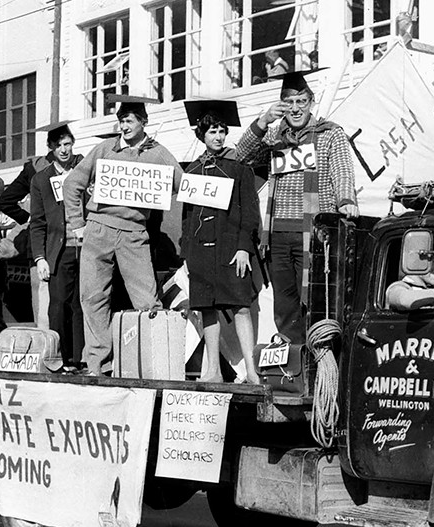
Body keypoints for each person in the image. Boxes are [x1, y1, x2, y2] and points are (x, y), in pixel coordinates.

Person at [62, 94, 183, 376]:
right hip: (98, 228)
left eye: (128, 120)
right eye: (120, 121)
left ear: (143, 122)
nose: (123, 126)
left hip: (134, 233)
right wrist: (77, 224)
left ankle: (153, 363)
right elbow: (72, 184)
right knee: (93, 297)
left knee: (147, 300)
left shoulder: (159, 153)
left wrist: (157, 191)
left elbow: (182, 184)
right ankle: (98, 366)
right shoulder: (104, 148)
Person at [236, 69, 359, 344]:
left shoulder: (330, 133)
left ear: (311, 103)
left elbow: (342, 170)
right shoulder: (275, 137)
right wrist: (264, 120)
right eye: (288, 102)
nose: (295, 108)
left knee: (314, 299)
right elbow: (242, 156)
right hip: (278, 234)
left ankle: (318, 357)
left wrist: (346, 201)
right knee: (285, 303)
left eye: (301, 101)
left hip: (313, 232)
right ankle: (292, 363)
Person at [181, 100, 261, 384]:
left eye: (221, 132)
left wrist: (243, 248)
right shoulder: (192, 171)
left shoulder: (238, 168)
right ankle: (213, 369)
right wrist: (186, 253)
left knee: (240, 306)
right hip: (201, 250)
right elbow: (187, 217)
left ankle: (252, 370)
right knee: (207, 308)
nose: (218, 137)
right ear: (201, 135)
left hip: (230, 249)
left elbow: (250, 213)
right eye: (212, 132)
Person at [29, 122, 86, 370]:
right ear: (50, 148)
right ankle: (59, 358)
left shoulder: (84, 170)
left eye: (67, 144)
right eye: (58, 145)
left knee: (83, 303)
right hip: (59, 250)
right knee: (59, 303)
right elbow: (38, 222)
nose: (64, 150)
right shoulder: (41, 180)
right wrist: (40, 257)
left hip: (86, 248)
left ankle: (80, 358)